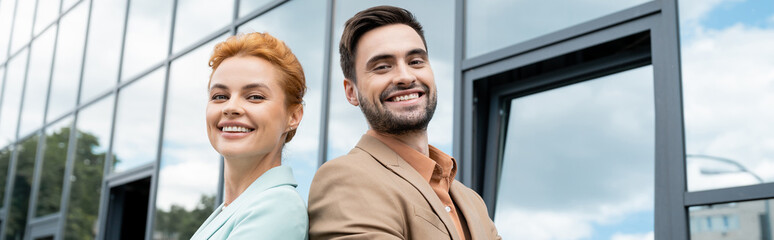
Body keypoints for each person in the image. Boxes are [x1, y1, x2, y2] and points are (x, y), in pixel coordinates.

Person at [308, 5, 501, 240]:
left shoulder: (472, 201)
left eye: (416, 61)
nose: (406, 77)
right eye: (382, 67)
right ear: (351, 92)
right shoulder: (344, 179)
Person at [191, 32, 307, 239]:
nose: (231, 107)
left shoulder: (278, 208)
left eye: (255, 97)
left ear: (293, 116)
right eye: (220, 96)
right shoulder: (233, 209)